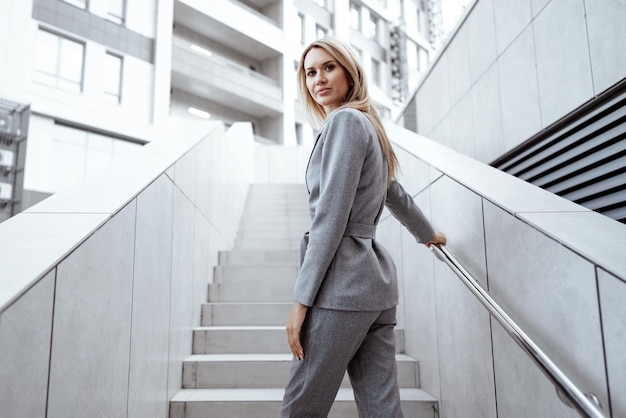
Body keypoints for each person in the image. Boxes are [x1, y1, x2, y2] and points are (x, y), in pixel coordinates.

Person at [281, 38, 446, 418]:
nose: (318, 79)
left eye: (329, 67)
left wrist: (300, 302)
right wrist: (426, 233)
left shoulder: (344, 121)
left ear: (349, 71)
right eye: (310, 72)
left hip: (341, 289)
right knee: (381, 408)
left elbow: (331, 216)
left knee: (300, 407)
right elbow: (393, 191)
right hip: (374, 290)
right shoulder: (366, 124)